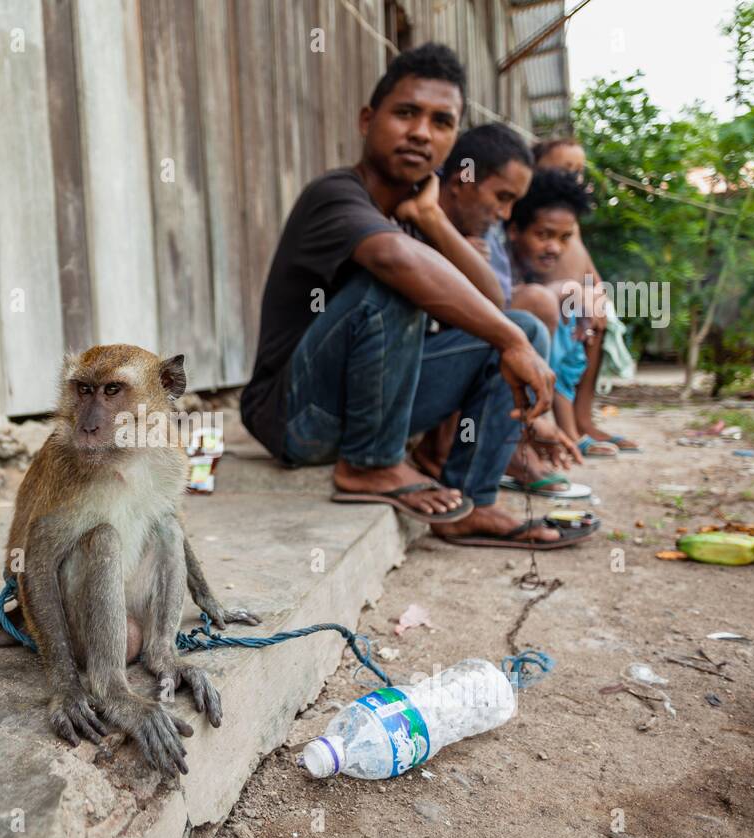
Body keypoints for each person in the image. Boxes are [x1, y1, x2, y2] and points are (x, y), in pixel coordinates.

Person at [239, 45, 597, 549]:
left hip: (363, 409)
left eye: (441, 121)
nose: (422, 132)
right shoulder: (335, 194)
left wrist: (430, 219)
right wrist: (509, 338)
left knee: (527, 326)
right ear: (368, 120)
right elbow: (394, 260)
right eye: (406, 113)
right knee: (399, 277)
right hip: (296, 416)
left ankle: (472, 500)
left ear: (452, 141)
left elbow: (493, 301)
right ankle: (370, 467)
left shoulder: (413, 216)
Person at [410, 122, 586, 498]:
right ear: (461, 180)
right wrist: (435, 227)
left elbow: (493, 302)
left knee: (519, 330)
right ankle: (447, 460)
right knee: (520, 330)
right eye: (502, 197)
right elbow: (491, 311)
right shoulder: (407, 215)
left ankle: (476, 494)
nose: (505, 214)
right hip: (376, 401)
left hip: (414, 385)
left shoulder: (479, 230)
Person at [533, 138, 640, 453]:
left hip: (580, 298)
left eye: (578, 171)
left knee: (596, 335)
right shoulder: (535, 207)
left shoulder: (568, 211)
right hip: (557, 299)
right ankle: (565, 431)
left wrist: (598, 291)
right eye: (565, 168)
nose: (574, 177)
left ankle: (584, 420)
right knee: (562, 359)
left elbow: (580, 254)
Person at [505, 168, 605, 454]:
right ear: (514, 230)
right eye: (543, 235)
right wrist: (559, 290)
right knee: (543, 303)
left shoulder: (531, 267)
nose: (554, 248)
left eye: (564, 238)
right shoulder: (494, 251)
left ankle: (560, 428)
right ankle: (526, 436)